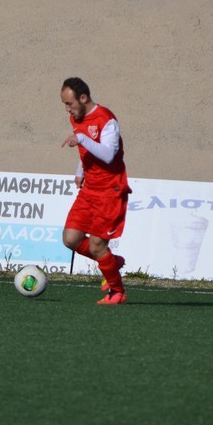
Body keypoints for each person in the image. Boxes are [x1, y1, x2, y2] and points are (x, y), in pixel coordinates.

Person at [60, 77, 131, 305]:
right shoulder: (76, 117)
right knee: (71, 239)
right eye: (65, 104)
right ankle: (111, 261)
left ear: (83, 98)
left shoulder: (106, 120)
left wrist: (81, 138)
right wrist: (80, 170)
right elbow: (87, 150)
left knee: (97, 245)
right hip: (89, 189)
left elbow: (108, 155)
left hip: (110, 191)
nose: (67, 109)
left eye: (69, 104)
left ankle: (117, 291)